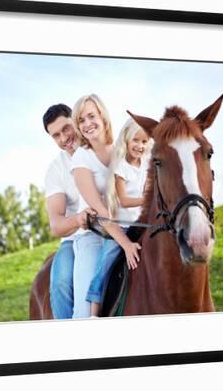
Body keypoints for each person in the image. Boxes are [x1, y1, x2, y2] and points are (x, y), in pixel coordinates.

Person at [70, 94, 141, 319]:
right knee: (83, 312)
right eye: (81, 120)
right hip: (95, 234)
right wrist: (127, 245)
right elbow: (101, 211)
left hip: (130, 225)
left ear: (103, 116)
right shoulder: (81, 158)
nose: (87, 124)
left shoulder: (122, 148)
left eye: (91, 116)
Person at [86, 118, 151, 317]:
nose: (140, 146)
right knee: (104, 264)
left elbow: (149, 189)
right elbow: (123, 200)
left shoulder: (146, 166)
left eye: (144, 142)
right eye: (136, 141)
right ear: (126, 141)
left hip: (141, 224)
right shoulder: (121, 167)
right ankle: (94, 312)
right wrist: (147, 200)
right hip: (122, 227)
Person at [43, 103, 95, 319]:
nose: (63, 138)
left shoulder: (98, 146)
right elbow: (56, 224)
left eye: (66, 128)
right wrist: (80, 219)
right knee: (61, 281)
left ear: (75, 121)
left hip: (112, 226)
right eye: (56, 135)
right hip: (74, 239)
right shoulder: (56, 169)